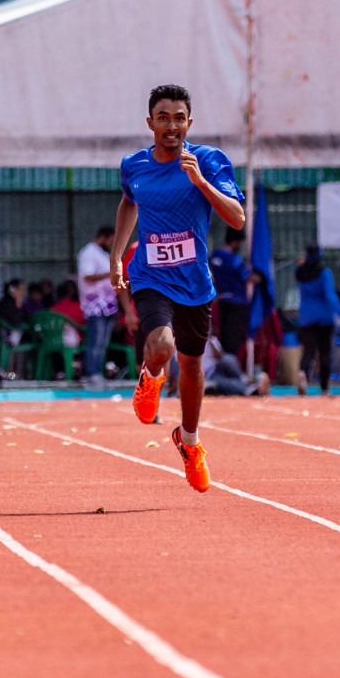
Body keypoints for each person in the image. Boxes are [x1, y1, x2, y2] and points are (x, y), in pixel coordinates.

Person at [110, 83, 247, 492]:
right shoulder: (133, 165)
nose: (172, 126)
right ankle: (149, 378)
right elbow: (128, 202)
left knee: (190, 366)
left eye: (179, 118)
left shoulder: (209, 160)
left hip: (195, 283)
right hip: (151, 275)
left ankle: (189, 442)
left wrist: (201, 182)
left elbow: (237, 218)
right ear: (150, 122)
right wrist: (118, 255)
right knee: (162, 345)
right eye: (164, 118)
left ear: (190, 122)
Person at [294, 244, 340, 396]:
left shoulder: (299, 272)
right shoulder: (324, 273)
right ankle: (324, 388)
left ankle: (302, 374)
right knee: (325, 353)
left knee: (308, 350)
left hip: (306, 317)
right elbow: (329, 295)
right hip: (325, 318)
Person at [78, 226, 120, 385]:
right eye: (110, 240)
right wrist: (111, 274)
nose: (111, 243)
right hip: (95, 306)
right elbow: (87, 276)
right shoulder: (89, 252)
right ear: (102, 236)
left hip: (108, 306)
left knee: (102, 343)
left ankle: (97, 372)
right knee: (95, 341)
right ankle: (92, 373)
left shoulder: (102, 254)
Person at [209, 228, 252, 357]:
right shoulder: (235, 260)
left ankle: (225, 365)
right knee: (234, 337)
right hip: (237, 302)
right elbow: (247, 277)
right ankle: (229, 367)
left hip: (222, 300)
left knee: (224, 335)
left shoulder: (215, 256)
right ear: (235, 241)